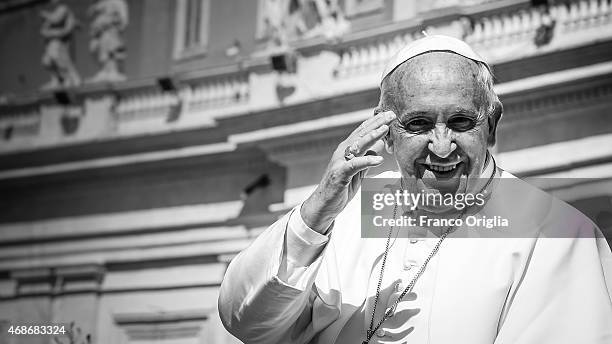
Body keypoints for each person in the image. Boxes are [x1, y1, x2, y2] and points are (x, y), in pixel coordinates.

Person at [218, 35, 612, 343]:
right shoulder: (343, 219)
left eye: (460, 122)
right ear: (386, 132)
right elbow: (248, 322)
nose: (441, 146)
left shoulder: (558, 235)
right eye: (419, 124)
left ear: (491, 124)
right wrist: (317, 211)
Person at [88, 0, 128, 82]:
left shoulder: (119, 1)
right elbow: (93, 10)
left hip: (111, 30)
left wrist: (117, 24)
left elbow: (123, 17)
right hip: (101, 31)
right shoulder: (104, 3)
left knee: (111, 50)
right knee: (99, 49)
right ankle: (105, 70)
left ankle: (112, 71)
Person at [40, 0, 80, 89]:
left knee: (57, 58)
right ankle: (56, 80)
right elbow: (46, 27)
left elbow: (56, 19)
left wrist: (46, 15)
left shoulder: (63, 8)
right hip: (51, 41)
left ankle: (67, 79)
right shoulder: (57, 10)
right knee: (47, 61)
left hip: (59, 41)